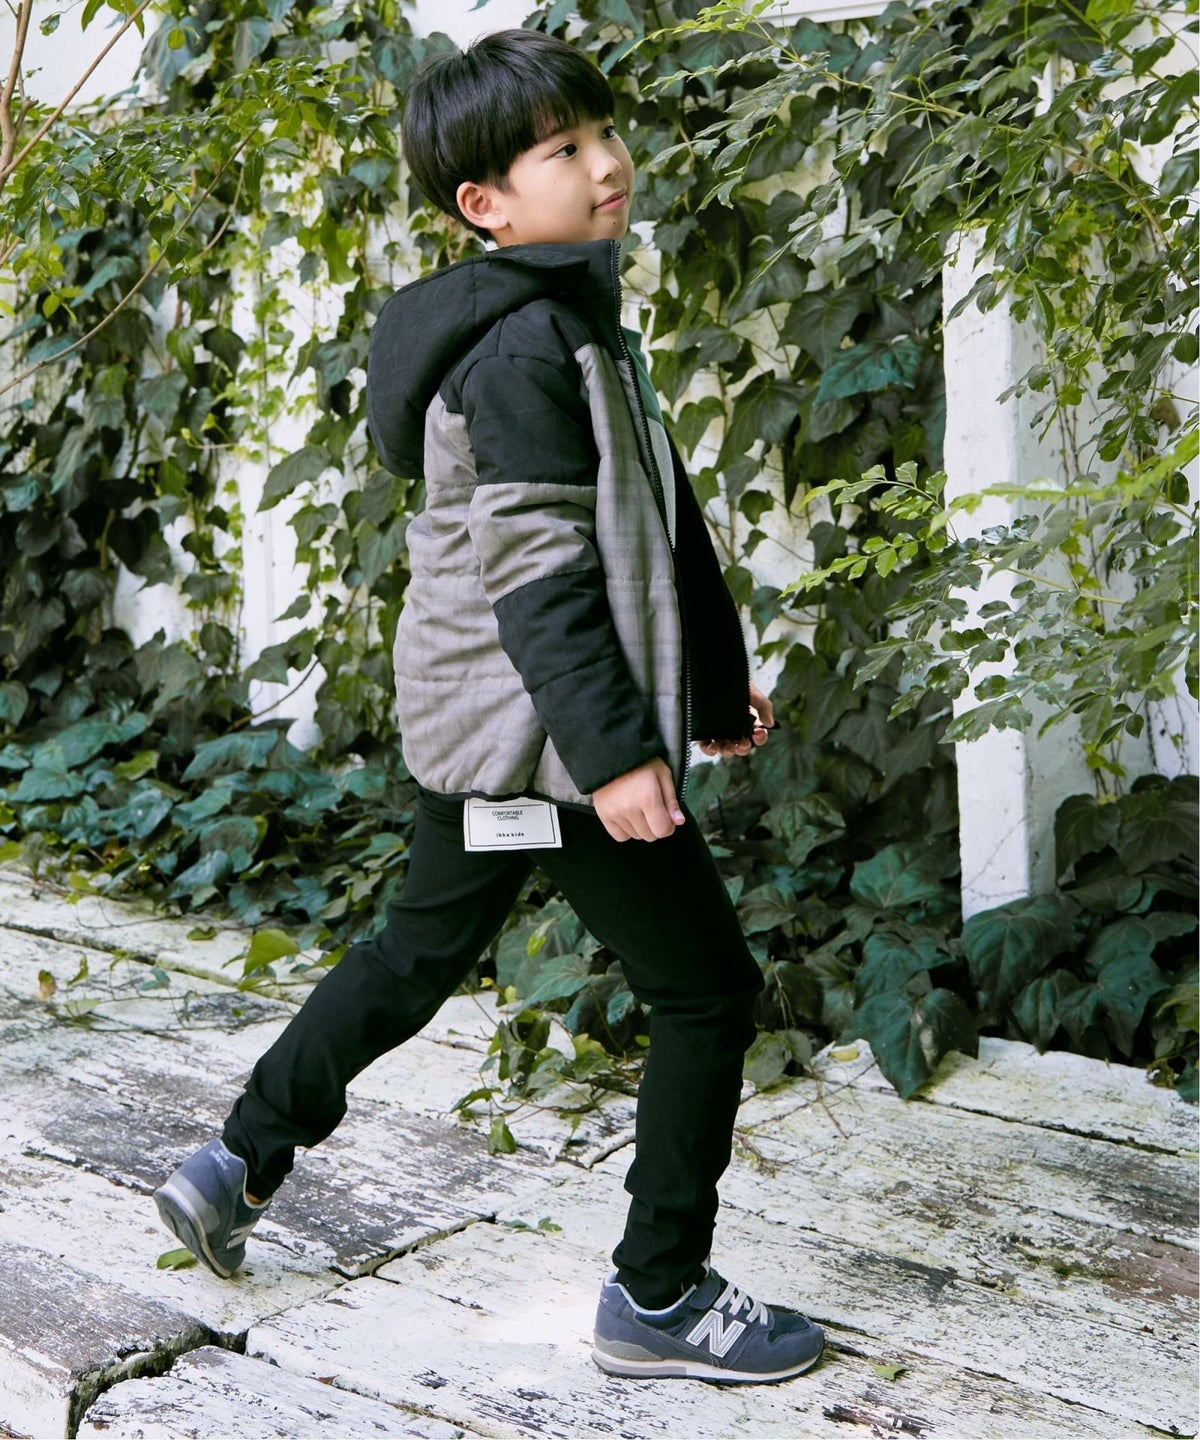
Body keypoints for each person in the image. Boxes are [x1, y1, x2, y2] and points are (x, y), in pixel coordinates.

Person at [153, 28, 825, 1385]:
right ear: (486, 205)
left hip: (500, 734)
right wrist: (618, 754)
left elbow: (656, 530)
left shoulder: (570, 324)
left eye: (603, 132)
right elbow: (541, 579)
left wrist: (703, 685)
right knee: (707, 994)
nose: (607, 161)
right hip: (546, 742)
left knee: (415, 955)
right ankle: (659, 1293)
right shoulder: (524, 346)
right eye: (563, 149)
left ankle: (235, 1160)